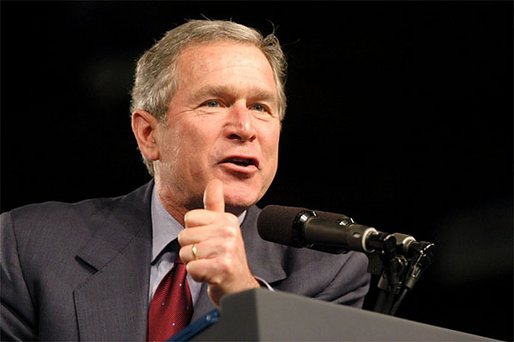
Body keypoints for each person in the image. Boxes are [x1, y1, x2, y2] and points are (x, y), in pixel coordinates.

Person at [0, 19, 371, 340]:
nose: (244, 128)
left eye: (261, 107)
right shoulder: (27, 245)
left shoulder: (329, 268)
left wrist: (244, 301)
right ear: (149, 134)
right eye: (214, 103)